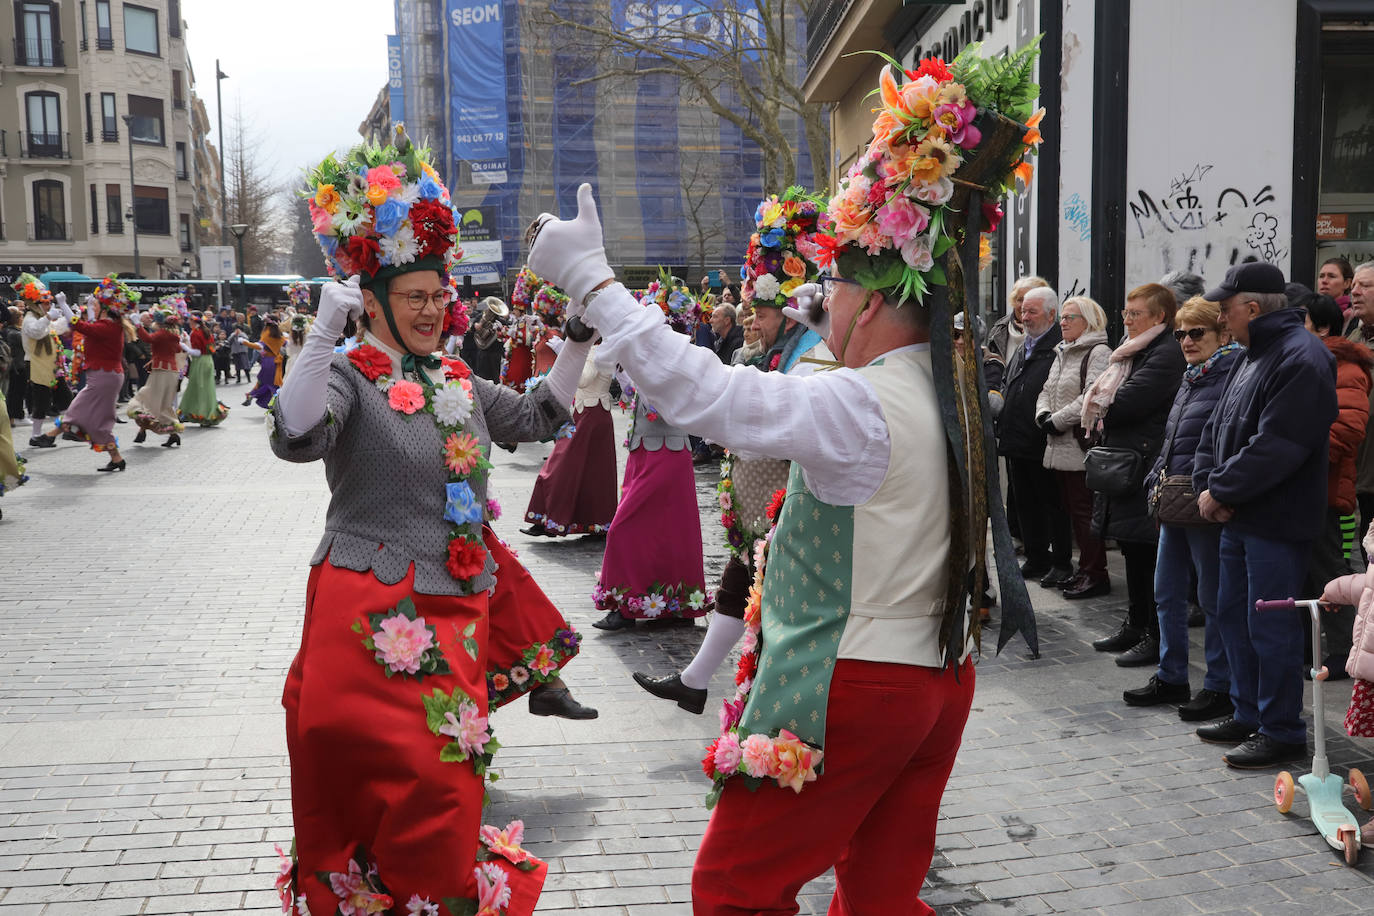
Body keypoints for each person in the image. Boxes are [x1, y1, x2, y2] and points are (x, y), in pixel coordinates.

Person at [270, 129, 574, 913]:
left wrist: (577, 335)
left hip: (452, 616)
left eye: (442, 296)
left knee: (447, 783)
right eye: (417, 298)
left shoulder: (456, 377)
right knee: (386, 791)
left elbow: (540, 412)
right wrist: (318, 334)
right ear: (372, 302)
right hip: (366, 615)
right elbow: (295, 436)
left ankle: (427, 897)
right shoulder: (347, 374)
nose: (436, 310)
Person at [635, 186, 833, 712]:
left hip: (788, 512)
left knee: (766, 603)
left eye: (759, 313)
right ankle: (698, 682)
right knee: (737, 587)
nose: (750, 321)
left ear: (789, 314)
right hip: (759, 511)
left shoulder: (809, 356)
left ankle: (768, 702)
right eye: (747, 312)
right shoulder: (769, 354)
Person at [1193, 261, 1337, 768]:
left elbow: (1279, 444)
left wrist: (1222, 488)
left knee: (1270, 629)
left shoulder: (1302, 356)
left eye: (1226, 309)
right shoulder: (1252, 354)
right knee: (1232, 615)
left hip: (1275, 521)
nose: (1221, 318)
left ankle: (1280, 728)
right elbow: (1218, 427)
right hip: (1243, 515)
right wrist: (1210, 483)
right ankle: (1249, 711)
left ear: (1252, 309)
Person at [1121, 296, 1238, 718]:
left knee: (1212, 597)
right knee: (1166, 593)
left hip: (1204, 502)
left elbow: (1222, 443)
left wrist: (1213, 490)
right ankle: (1171, 676)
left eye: (1196, 332)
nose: (1186, 341)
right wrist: (1157, 478)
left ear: (1222, 333)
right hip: (1174, 500)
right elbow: (1173, 439)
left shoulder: (1229, 374)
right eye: (1180, 333)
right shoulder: (1192, 375)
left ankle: (1219, 685)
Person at [591, 281, 711, 631]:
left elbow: (665, 406)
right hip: (643, 452)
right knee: (658, 531)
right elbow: (637, 400)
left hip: (667, 455)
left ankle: (631, 603)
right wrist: (623, 372)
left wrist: (630, 374)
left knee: (630, 528)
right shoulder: (647, 364)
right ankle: (663, 604)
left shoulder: (676, 365)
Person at [1083, 283, 1185, 666]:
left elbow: (1124, 404)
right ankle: (1135, 622)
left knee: (1148, 555)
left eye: (1135, 313)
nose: (1126, 320)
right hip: (1127, 464)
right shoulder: (1132, 352)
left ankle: (1154, 636)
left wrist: (1102, 402)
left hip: (1144, 465)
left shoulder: (1165, 353)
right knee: (1131, 548)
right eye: (1125, 313)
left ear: (1159, 316)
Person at [1301, 292, 1370, 680]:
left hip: (1328, 492)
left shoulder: (1345, 365)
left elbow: (1345, 430)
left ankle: (1344, 651)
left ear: (1322, 327)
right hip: (1307, 489)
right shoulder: (1308, 360)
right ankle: (1312, 649)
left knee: (1333, 571)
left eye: (1302, 322)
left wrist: (1293, 455)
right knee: (1310, 572)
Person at [1035, 296, 1112, 598]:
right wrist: (1043, 414)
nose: (1063, 323)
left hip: (1079, 447)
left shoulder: (1098, 352)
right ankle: (1084, 571)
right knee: (1072, 510)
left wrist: (1056, 420)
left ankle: (1095, 573)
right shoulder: (1063, 351)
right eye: (1063, 317)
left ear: (1089, 322)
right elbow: (1047, 388)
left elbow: (1091, 396)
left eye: (1070, 318)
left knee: (1085, 512)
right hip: (1058, 445)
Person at [997, 285, 1073, 586]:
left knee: (1053, 504)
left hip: (1043, 439)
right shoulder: (1023, 346)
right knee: (1025, 503)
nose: (1024, 316)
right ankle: (1037, 556)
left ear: (1051, 314)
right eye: (1022, 310)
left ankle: (1061, 561)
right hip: (1017, 438)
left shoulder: (1057, 346)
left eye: (1032, 311)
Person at [34, 278, 138, 471]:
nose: (94, 308)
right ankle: (116, 458)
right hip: (103, 376)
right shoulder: (109, 325)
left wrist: (63, 304)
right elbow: (89, 324)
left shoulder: (107, 327)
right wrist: (90, 308)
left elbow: (81, 326)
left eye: (96, 305)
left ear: (105, 309)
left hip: (104, 377)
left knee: (86, 413)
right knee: (93, 416)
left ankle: (50, 435)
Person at [521, 335, 618, 538]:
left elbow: (583, 380)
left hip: (590, 414)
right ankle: (592, 521)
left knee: (561, 465)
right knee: (592, 472)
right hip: (592, 413)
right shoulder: (602, 350)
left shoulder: (595, 352)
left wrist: (568, 356)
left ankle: (550, 519)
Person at [16, 275, 72, 448]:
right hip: (36, 365)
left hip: (52, 365)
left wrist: (67, 310)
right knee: (41, 400)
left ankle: (70, 429)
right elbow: (35, 332)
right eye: (45, 303)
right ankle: (36, 436)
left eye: (49, 302)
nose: (48, 305)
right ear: (36, 304)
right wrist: (48, 318)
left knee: (65, 397)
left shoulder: (42, 318)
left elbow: (59, 328)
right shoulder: (29, 319)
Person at [126, 308, 188, 448]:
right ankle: (170, 434)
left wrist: (137, 324)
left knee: (147, 399)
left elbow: (147, 339)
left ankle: (144, 431)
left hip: (162, 371)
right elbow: (177, 349)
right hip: (170, 371)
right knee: (162, 404)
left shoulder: (162, 334)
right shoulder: (173, 335)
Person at [1346, 263, 1374, 543]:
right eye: (1354, 285)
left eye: (1365, 286)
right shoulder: (1352, 338)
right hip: (1355, 475)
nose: (1355, 291)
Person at [178, 313, 230, 427]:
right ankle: (206, 414)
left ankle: (199, 414)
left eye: (190, 321)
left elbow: (197, 352)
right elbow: (207, 348)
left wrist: (183, 345)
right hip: (208, 361)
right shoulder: (206, 332)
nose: (189, 323)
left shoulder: (196, 333)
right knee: (206, 389)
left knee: (197, 388)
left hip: (200, 362)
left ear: (194, 322)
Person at [987, 275, 1047, 362]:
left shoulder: (1051, 333)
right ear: (1013, 301)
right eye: (1020, 300)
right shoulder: (998, 330)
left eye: (1030, 299)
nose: (1024, 305)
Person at [242, 316, 285, 408]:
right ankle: (275, 403)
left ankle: (251, 394)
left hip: (267, 361)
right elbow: (286, 344)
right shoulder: (280, 334)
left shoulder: (266, 333)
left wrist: (245, 343)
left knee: (263, 381)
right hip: (276, 362)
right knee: (273, 384)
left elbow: (259, 346)